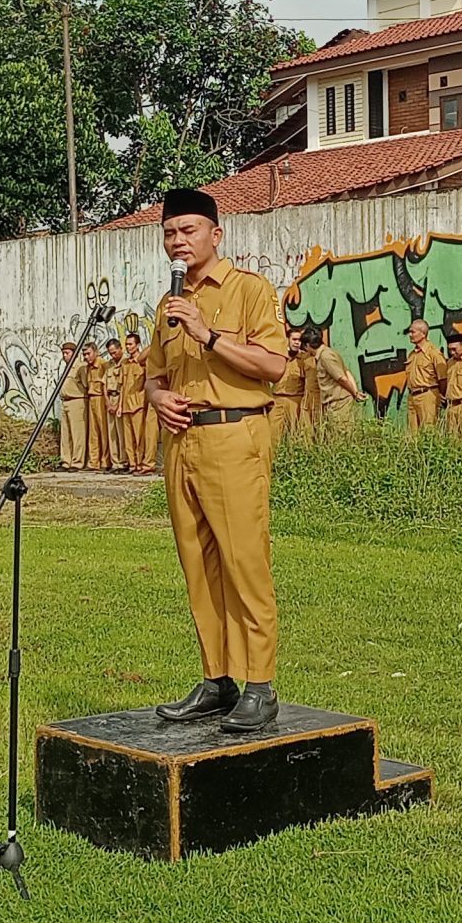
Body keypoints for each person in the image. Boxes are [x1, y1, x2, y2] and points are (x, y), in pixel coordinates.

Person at [144, 187, 290, 731]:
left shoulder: (249, 291)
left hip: (234, 436)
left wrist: (208, 334)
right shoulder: (168, 305)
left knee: (243, 561)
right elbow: (155, 373)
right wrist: (160, 400)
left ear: (215, 234)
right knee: (198, 566)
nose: (178, 241)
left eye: (188, 230)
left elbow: (273, 365)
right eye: (169, 233)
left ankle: (260, 684)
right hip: (182, 442)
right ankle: (217, 679)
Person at [312, 326, 362, 429]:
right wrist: (355, 391)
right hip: (337, 402)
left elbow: (342, 378)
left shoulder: (325, 357)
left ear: (308, 345)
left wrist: (354, 393)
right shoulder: (330, 353)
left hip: (339, 403)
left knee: (341, 433)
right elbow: (347, 372)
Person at [119, 332, 155, 473]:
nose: (128, 347)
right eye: (126, 344)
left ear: (138, 345)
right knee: (128, 439)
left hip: (138, 404)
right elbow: (122, 386)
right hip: (127, 405)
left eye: (130, 344)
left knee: (140, 437)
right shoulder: (125, 364)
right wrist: (120, 405)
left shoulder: (143, 364)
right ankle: (132, 463)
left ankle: (141, 463)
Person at [402, 319, 446, 433]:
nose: (410, 335)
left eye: (413, 332)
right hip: (412, 396)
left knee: (428, 431)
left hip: (427, 395)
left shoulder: (433, 353)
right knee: (413, 434)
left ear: (423, 334)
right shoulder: (412, 354)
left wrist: (440, 394)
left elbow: (442, 378)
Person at [271, 325, 310, 446]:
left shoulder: (304, 359)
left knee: (295, 433)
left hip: (295, 399)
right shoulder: (279, 356)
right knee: (273, 433)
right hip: (277, 399)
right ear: (288, 339)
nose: (297, 343)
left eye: (299, 340)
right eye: (294, 339)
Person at [84, 342, 117, 472]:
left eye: (88, 353)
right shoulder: (88, 367)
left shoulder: (103, 365)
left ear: (96, 352)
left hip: (100, 398)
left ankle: (105, 460)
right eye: (84, 354)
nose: (86, 357)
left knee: (104, 430)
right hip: (91, 398)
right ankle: (93, 461)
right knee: (93, 432)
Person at [56, 341, 89, 469]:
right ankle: (66, 460)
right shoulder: (66, 368)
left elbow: (86, 384)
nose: (65, 356)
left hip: (77, 400)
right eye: (63, 353)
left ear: (74, 354)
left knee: (78, 433)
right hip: (66, 401)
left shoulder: (80, 367)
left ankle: (77, 461)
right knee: (66, 434)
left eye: (67, 353)